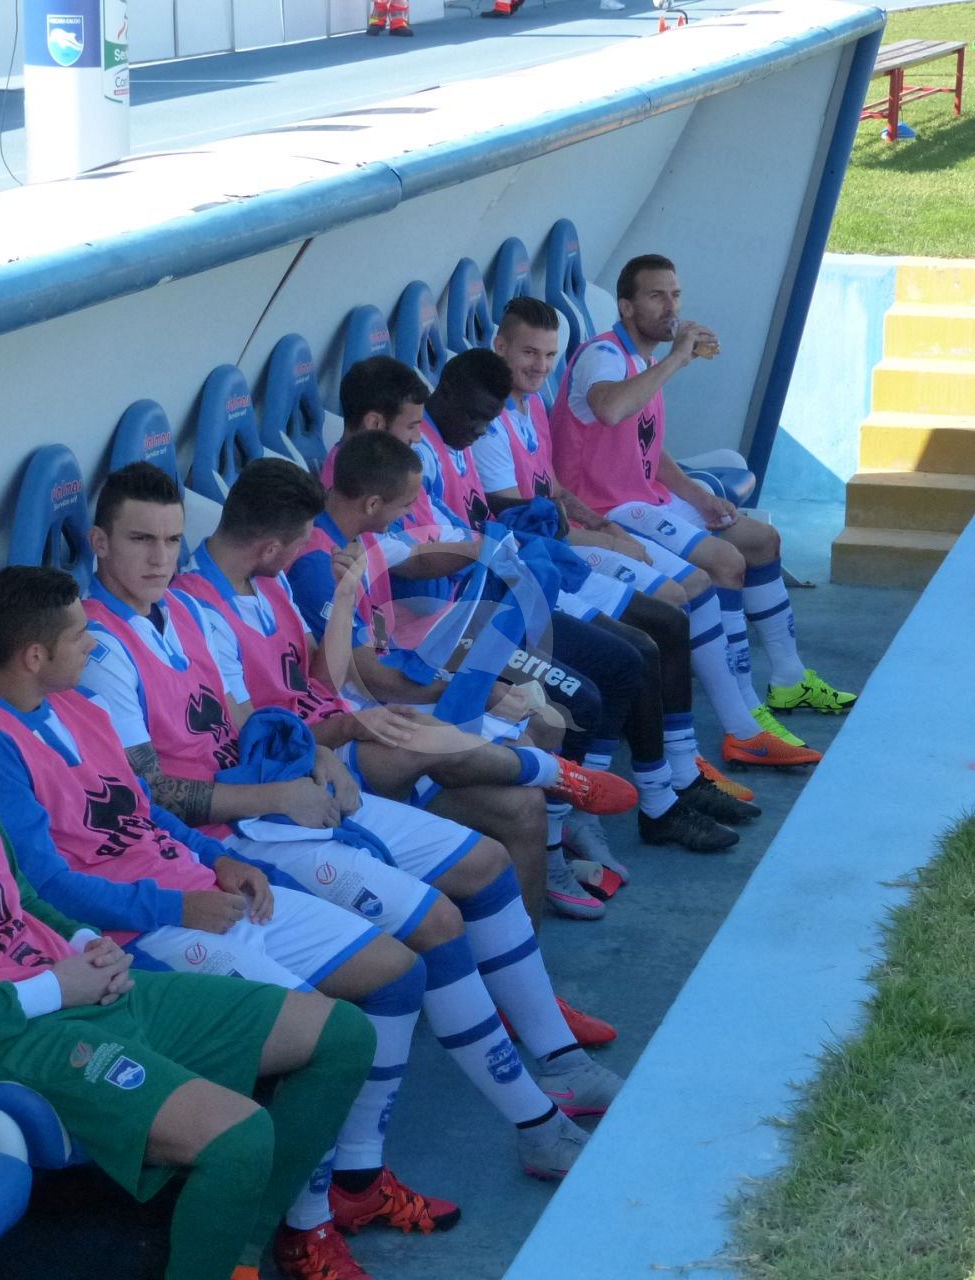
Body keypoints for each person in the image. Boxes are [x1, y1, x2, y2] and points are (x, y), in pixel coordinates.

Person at [0, 615, 375, 1280]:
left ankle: (239, 1248)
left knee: (342, 1035)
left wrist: (86, 943)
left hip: (74, 984)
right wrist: (54, 989)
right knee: (239, 1138)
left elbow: (20, 898)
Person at [83, 463, 624, 1174]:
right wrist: (283, 791)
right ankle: (518, 1126)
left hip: (284, 798)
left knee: (485, 862)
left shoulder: (184, 613)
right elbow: (146, 794)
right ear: (99, 542)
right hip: (234, 833)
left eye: (169, 540)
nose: (159, 559)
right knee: (430, 925)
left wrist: (313, 753)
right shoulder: (100, 650)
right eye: (140, 540)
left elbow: (246, 724)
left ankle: (558, 1060)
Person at [0, 566, 450, 1274]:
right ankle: (299, 1227)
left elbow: (143, 809)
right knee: (319, 1039)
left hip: (193, 889)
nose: (93, 643)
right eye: (80, 634)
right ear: (34, 655)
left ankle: (355, 1180)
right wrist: (179, 905)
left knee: (397, 973)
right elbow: (47, 885)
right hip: (140, 927)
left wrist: (220, 860)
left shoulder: (77, 702)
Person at [176, 458, 645, 917]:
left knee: (523, 808)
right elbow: (252, 739)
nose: (307, 549)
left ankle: (531, 956)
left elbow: (320, 678)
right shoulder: (199, 611)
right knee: (420, 736)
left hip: (339, 718)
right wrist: (348, 728)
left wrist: (345, 599)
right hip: (312, 751)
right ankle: (556, 774)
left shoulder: (268, 579)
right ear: (270, 548)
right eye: (301, 542)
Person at [411, 348, 751, 857]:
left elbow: (520, 505)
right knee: (618, 667)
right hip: (487, 606)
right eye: (529, 352)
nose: (481, 430)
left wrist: (573, 524)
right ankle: (576, 822)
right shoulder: (424, 453)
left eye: (549, 353)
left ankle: (670, 784)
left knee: (659, 630)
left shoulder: (476, 429)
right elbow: (454, 544)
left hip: (522, 576)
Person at [550, 253, 860, 751]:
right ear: (627, 307)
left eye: (675, 295)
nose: (670, 306)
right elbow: (611, 410)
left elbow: (645, 444)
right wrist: (677, 358)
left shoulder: (644, 360)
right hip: (606, 509)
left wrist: (697, 493)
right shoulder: (603, 355)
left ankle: (788, 677)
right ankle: (746, 717)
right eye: (656, 296)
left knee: (761, 540)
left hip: (647, 497)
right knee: (724, 562)